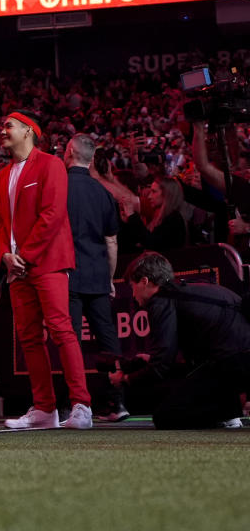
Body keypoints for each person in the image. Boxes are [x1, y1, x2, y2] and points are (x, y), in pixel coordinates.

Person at [0, 110, 93, 429]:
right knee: (29, 338)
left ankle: (81, 405)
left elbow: (52, 214)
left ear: (28, 131)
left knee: (62, 330)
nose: (2, 130)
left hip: (47, 262)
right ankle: (44, 409)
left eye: (9, 125)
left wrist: (23, 254)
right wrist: (5, 256)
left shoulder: (51, 164)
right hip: (17, 267)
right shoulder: (1, 175)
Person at [114, 252, 250, 429]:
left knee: (166, 417)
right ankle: (231, 406)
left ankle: (237, 404)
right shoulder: (192, 291)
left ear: (145, 281)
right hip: (236, 360)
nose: (133, 295)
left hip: (234, 363)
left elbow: (161, 366)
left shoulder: (161, 301)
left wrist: (125, 378)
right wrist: (152, 360)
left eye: (132, 286)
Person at [64, 134, 127, 422]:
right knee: (107, 339)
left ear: (69, 153)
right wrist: (110, 278)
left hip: (68, 274)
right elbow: (111, 242)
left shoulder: (60, 187)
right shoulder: (104, 193)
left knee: (71, 339)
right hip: (99, 275)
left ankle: (78, 405)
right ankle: (116, 402)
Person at [121, 177, 187, 252]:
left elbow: (151, 243)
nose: (149, 196)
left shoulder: (174, 218)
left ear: (167, 194)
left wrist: (132, 215)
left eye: (154, 192)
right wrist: (126, 221)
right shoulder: (159, 215)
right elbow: (139, 241)